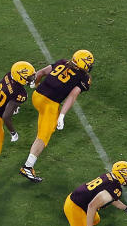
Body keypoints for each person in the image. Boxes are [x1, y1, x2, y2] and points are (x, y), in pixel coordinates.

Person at [19, 50, 94, 183]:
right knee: (43, 136)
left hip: (37, 96)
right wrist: (62, 116)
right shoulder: (84, 78)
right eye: (88, 64)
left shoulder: (63, 62)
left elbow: (41, 72)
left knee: (45, 127)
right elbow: (72, 96)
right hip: (50, 105)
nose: (89, 67)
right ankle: (27, 167)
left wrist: (35, 82)